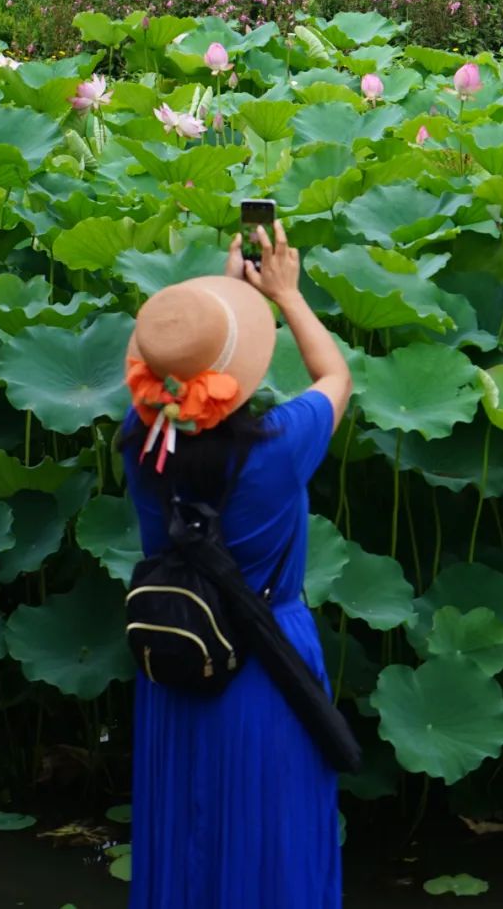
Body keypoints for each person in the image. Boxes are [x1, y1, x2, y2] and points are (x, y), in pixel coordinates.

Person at [121, 223, 353, 909]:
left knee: (184, 832)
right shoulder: (280, 446)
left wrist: (221, 301)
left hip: (176, 658)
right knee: (271, 843)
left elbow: (161, 383)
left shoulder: (139, 438)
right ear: (238, 373)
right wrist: (282, 296)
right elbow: (335, 376)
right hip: (265, 665)